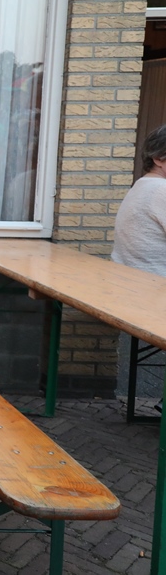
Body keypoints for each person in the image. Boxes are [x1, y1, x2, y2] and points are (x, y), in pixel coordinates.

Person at [111, 125, 166, 411]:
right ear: (159, 158)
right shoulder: (160, 191)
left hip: (135, 289)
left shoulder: (142, 186)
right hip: (154, 295)